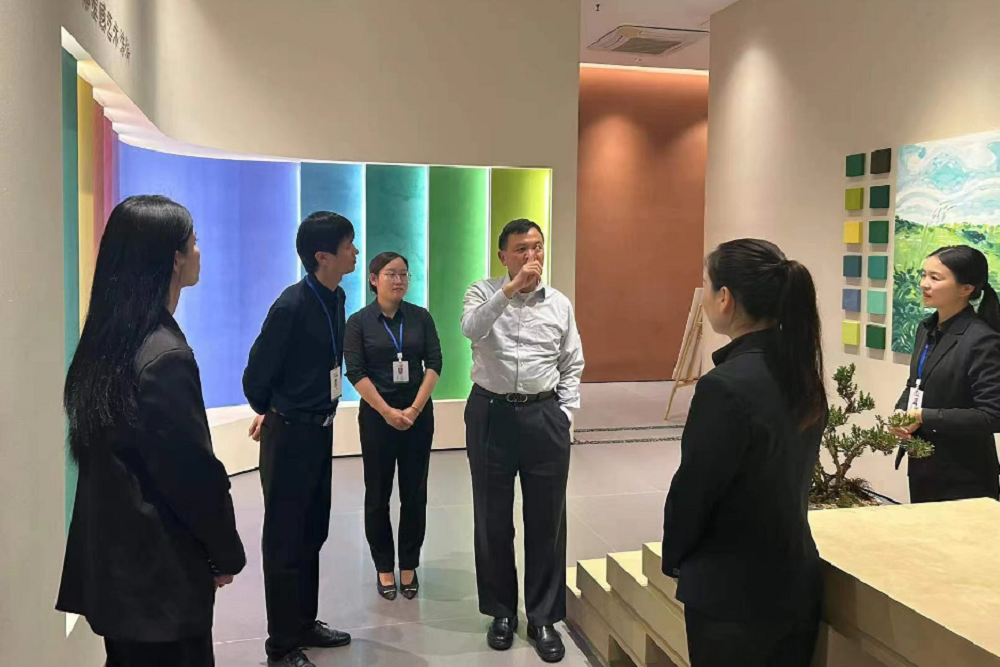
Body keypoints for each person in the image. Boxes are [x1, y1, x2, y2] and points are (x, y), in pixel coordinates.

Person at [57, 195, 246, 667]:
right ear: (174, 258)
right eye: (194, 242)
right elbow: (191, 475)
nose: (199, 251)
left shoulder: (107, 341)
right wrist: (224, 553)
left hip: (118, 572)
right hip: (159, 580)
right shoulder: (164, 357)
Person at [661, 239, 827, 667]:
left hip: (732, 591)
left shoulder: (724, 386)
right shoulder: (803, 373)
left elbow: (695, 491)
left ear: (725, 298)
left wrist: (675, 556)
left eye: (705, 284)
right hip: (795, 576)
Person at [461, 218, 585, 664]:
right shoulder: (481, 292)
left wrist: (564, 414)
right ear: (503, 256)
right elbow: (471, 329)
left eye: (537, 247)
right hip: (490, 413)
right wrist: (510, 290)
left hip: (543, 414)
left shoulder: (559, 304)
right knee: (492, 517)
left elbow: (572, 362)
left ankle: (544, 617)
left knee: (547, 518)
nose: (532, 256)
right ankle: (501, 612)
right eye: (521, 249)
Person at [243, 211, 358, 667]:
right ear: (322, 256)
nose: (355, 252)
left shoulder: (337, 297)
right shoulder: (290, 306)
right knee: (284, 541)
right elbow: (255, 378)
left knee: (313, 531)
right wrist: (274, 411)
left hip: (319, 432)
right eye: (348, 246)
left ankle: (304, 623)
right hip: (289, 435)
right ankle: (281, 645)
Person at [344, 252, 442, 601]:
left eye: (404, 274)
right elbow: (355, 371)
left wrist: (414, 408)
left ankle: (409, 565)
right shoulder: (359, 322)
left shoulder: (420, 317)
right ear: (373, 280)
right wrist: (386, 411)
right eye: (391, 274)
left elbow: (434, 362)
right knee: (378, 494)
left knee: (415, 493)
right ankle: (384, 566)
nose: (399, 280)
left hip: (418, 416)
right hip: (377, 417)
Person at [891, 245, 1000, 503]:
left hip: (964, 475)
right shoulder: (925, 328)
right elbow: (916, 383)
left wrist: (924, 416)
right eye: (923, 275)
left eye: (935, 278)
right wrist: (901, 411)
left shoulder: (982, 340)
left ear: (966, 288)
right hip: (922, 464)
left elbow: (993, 415)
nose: (924, 284)